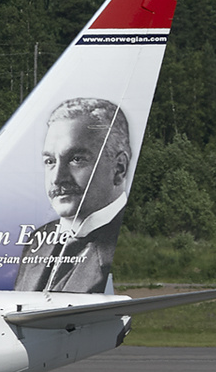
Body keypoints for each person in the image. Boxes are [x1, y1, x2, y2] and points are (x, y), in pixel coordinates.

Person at [14, 97, 132, 293]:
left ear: (119, 168)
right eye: (50, 161)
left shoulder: (124, 246)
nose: (57, 178)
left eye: (76, 159)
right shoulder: (39, 240)